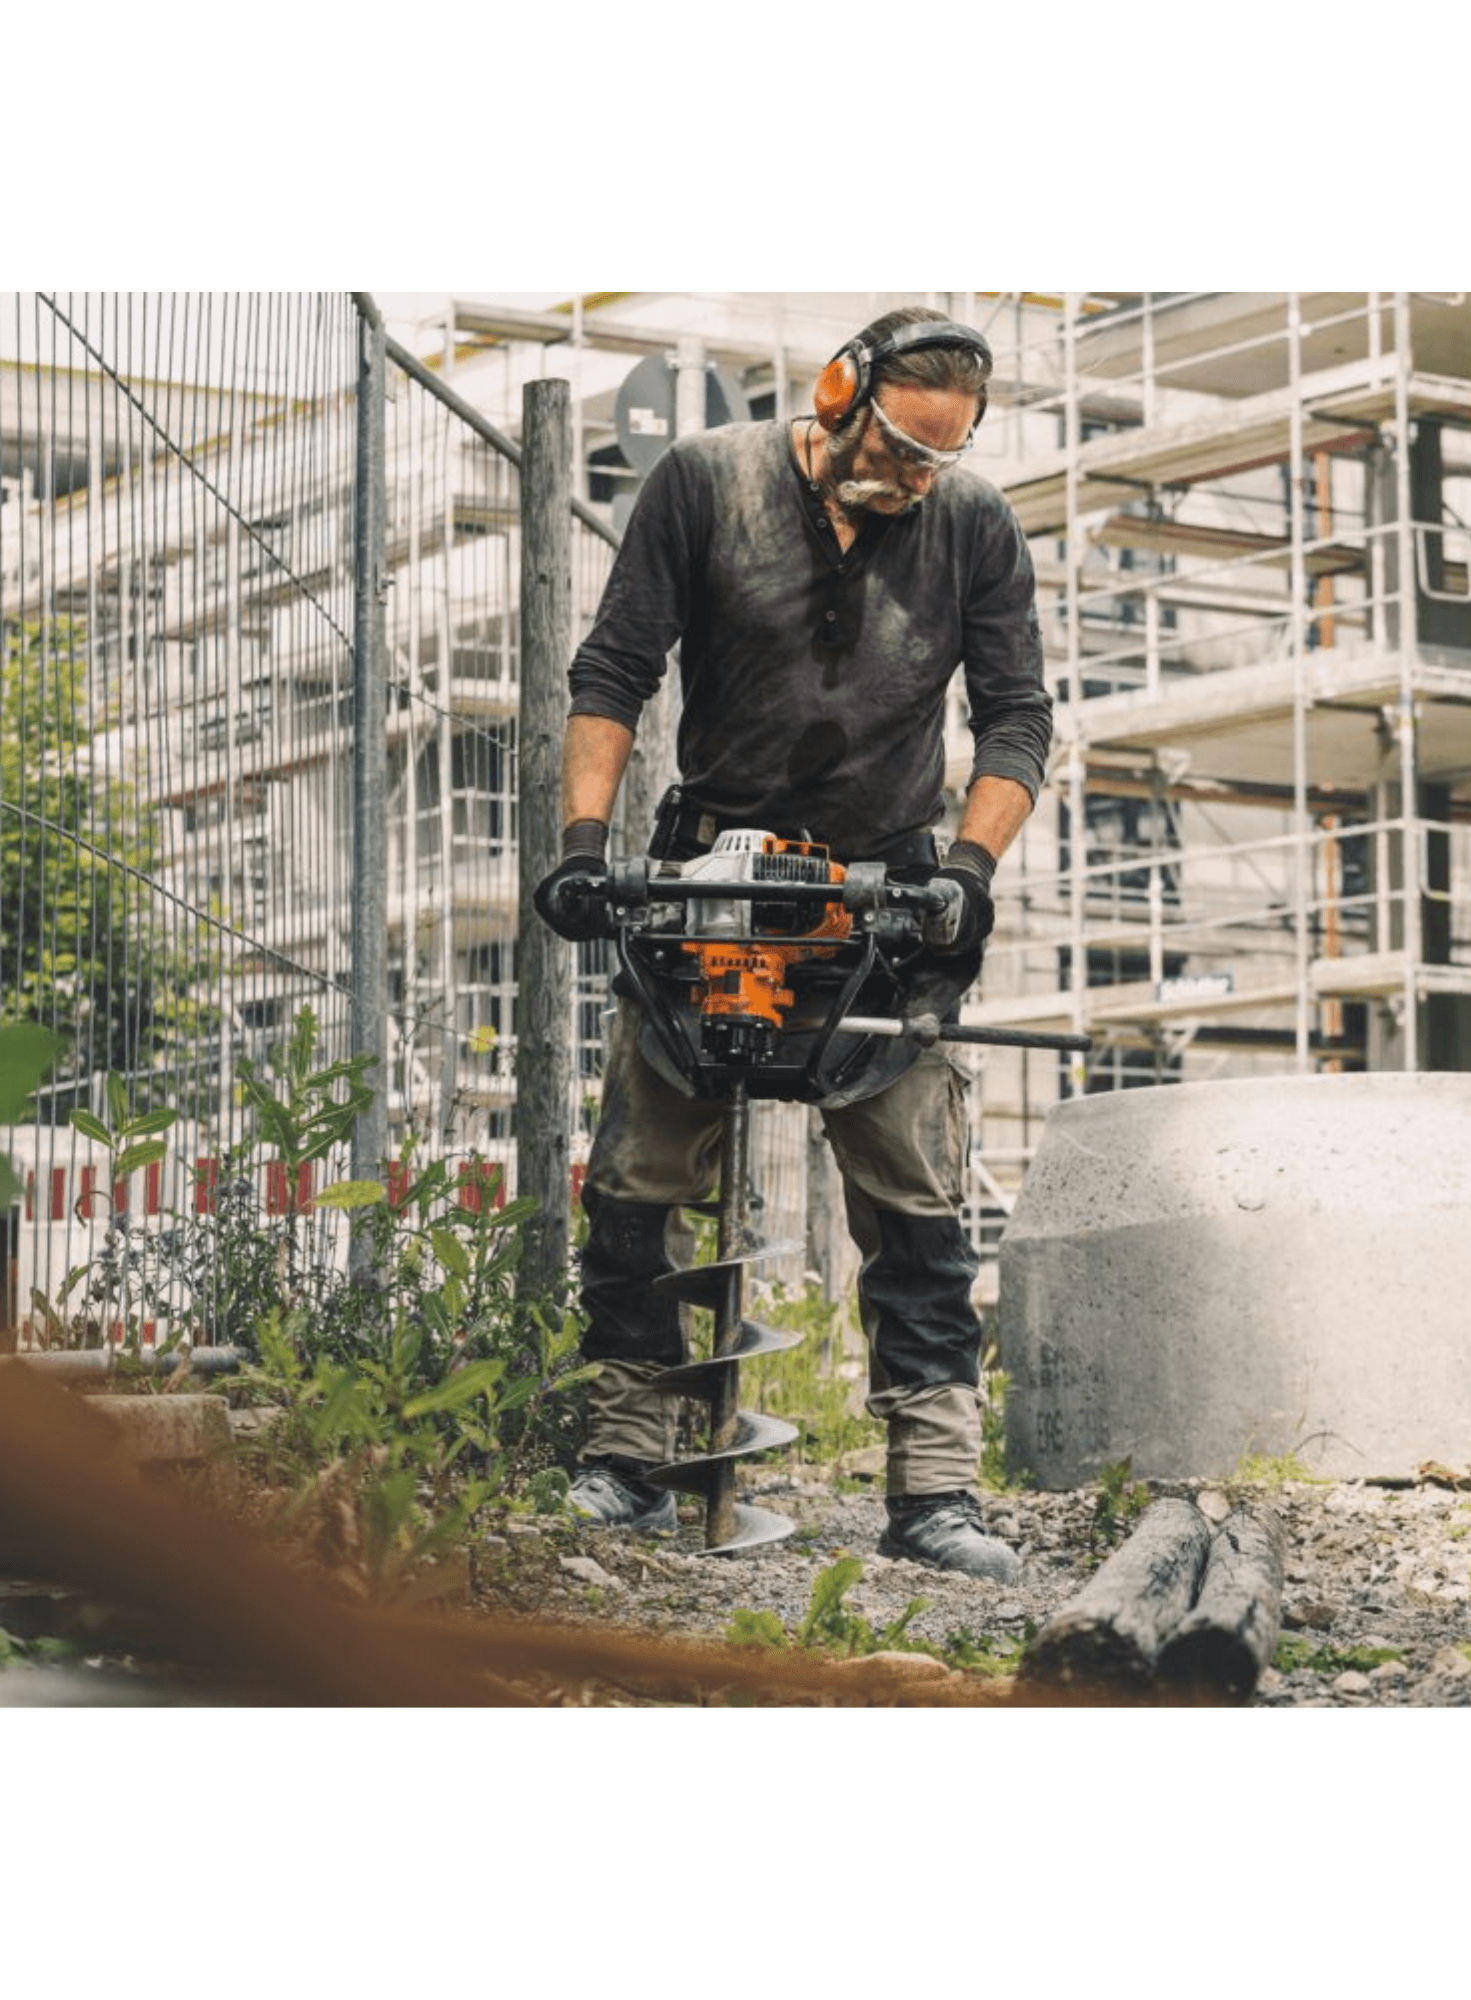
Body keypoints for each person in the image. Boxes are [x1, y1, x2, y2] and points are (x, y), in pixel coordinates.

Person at [532, 306, 1052, 1581]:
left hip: (886, 900)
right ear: (837, 397)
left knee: (916, 1206)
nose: (915, 478)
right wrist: (585, 844)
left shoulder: (973, 527)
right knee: (637, 1185)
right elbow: (612, 671)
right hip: (711, 885)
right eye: (899, 447)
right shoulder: (704, 484)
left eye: (938, 457)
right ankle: (627, 1454)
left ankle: (933, 1488)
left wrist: (968, 872)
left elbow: (1016, 719)